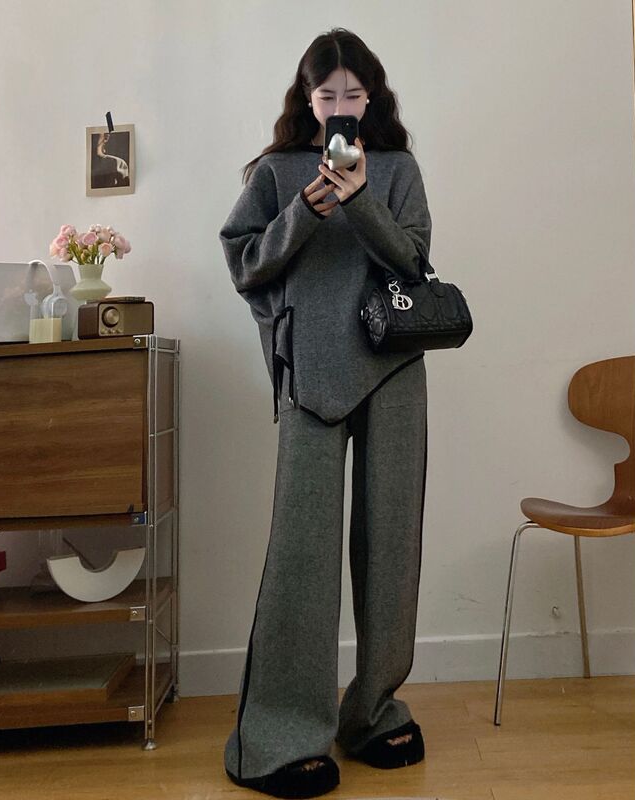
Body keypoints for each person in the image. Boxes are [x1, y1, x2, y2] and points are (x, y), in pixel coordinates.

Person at [219, 27, 431, 799]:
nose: (341, 105)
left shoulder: (397, 168)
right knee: (302, 558)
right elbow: (246, 262)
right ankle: (281, 731)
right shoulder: (275, 172)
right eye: (327, 93)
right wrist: (307, 210)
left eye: (353, 93)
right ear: (307, 99)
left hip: (393, 368)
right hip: (310, 372)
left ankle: (372, 711)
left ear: (372, 98)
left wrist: (361, 198)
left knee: (391, 547)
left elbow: (414, 261)